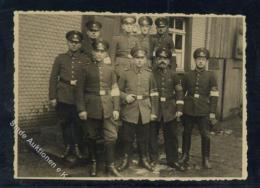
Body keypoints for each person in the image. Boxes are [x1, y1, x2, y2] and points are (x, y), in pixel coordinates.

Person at [76, 39, 122, 177]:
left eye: (102, 51)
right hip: (91, 107)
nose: (99, 54)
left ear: (105, 53)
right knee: (91, 136)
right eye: (97, 51)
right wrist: (81, 109)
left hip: (107, 107)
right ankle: (94, 163)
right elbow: (79, 91)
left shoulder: (110, 69)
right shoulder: (85, 69)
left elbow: (115, 90)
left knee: (111, 136)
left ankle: (110, 165)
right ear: (92, 51)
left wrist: (116, 108)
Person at [117, 46, 159, 172]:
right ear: (132, 59)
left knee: (144, 137)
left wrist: (154, 112)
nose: (139, 60)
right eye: (137, 58)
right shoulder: (125, 73)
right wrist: (125, 96)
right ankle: (125, 160)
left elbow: (154, 93)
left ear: (145, 59)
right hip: (130, 110)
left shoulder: (149, 74)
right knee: (127, 137)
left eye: (142, 58)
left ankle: (144, 159)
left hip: (145, 110)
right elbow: (117, 91)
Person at [49, 30, 89, 160]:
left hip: (79, 98)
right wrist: (53, 97)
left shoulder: (85, 59)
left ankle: (77, 147)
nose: (74, 45)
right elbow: (53, 78)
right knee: (65, 123)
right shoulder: (60, 58)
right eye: (72, 42)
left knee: (77, 123)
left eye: (77, 43)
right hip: (63, 95)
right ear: (67, 42)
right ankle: (67, 147)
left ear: (80, 44)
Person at [179, 47, 219, 169]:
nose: (200, 61)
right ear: (195, 60)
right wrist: (180, 109)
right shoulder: (187, 75)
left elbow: (214, 95)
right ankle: (185, 155)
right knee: (186, 133)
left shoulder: (211, 76)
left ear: (206, 61)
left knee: (205, 135)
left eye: (203, 59)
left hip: (203, 110)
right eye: (198, 59)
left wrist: (212, 112)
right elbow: (181, 92)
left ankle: (205, 158)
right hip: (189, 109)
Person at [149, 47, 185, 171]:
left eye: (165, 58)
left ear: (169, 61)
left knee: (172, 136)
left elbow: (179, 92)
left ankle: (173, 160)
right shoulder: (151, 73)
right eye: (160, 58)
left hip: (170, 109)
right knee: (152, 135)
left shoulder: (174, 74)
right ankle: (153, 159)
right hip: (155, 108)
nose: (162, 60)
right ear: (156, 60)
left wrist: (179, 108)